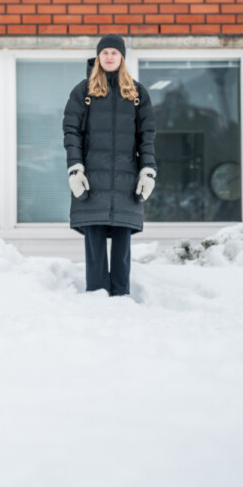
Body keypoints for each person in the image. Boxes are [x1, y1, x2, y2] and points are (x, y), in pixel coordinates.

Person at [62, 34, 157, 296]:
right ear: (98, 57)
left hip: (126, 182)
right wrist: (75, 168)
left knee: (122, 244)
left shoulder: (138, 95)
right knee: (94, 243)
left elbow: (146, 137)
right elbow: (72, 133)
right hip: (92, 180)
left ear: (123, 58)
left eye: (115, 53)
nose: (109, 57)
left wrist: (148, 170)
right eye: (105, 53)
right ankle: (96, 297)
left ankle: (121, 296)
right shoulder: (84, 92)